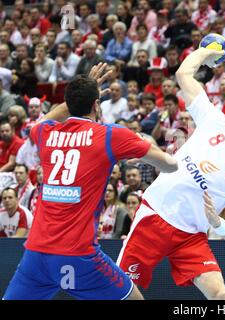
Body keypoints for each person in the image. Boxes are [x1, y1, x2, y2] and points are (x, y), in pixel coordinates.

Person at [117, 48, 225, 300]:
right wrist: (205, 52)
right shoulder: (216, 122)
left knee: (220, 295)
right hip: (156, 215)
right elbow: (184, 74)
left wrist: (218, 223)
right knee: (122, 291)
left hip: (192, 235)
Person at [3, 63, 178, 300]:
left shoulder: (47, 133)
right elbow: (169, 164)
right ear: (96, 105)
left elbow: (41, 122)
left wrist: (76, 97)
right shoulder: (109, 135)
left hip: (37, 253)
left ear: (68, 104)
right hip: (79, 254)